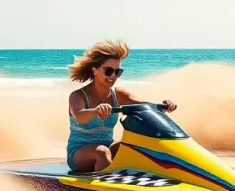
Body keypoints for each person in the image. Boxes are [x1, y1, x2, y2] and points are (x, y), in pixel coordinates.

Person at [67, 39, 177, 172]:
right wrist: (95, 110)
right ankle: (105, 185)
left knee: (134, 147)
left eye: (117, 72)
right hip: (78, 154)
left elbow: (141, 104)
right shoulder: (77, 96)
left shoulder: (118, 94)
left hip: (108, 148)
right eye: (108, 71)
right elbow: (80, 116)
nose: (113, 76)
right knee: (102, 152)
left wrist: (163, 105)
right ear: (94, 71)